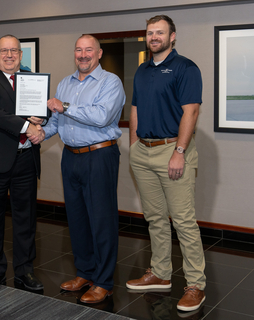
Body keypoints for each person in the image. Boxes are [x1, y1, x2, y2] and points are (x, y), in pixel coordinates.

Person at [126, 15, 206, 313]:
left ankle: (196, 284)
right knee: (155, 217)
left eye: (160, 32)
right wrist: (134, 146)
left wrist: (179, 151)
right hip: (143, 152)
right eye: (150, 33)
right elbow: (134, 109)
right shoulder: (142, 70)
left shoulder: (185, 68)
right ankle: (160, 273)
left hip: (173, 149)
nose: (154, 37)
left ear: (173, 36)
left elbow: (191, 112)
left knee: (183, 221)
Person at [42, 34, 125, 304]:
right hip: (71, 157)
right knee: (77, 219)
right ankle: (85, 273)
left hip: (99, 156)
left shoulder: (110, 82)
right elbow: (56, 123)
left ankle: (103, 281)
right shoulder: (65, 83)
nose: (83, 54)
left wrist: (64, 106)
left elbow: (101, 117)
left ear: (99, 54)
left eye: (89, 50)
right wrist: (36, 133)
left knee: (101, 219)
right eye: (79, 50)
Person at [0, 34, 44, 294]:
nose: (9, 55)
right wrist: (28, 125)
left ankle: (25, 271)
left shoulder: (31, 79)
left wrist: (40, 123)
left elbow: (39, 114)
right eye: (4, 51)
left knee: (26, 219)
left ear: (21, 55)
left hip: (25, 158)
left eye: (14, 51)